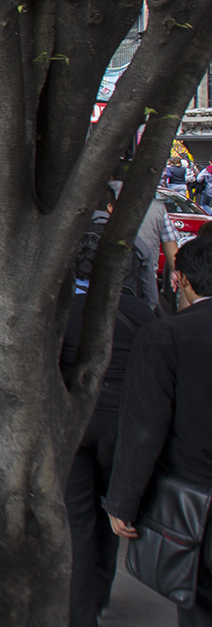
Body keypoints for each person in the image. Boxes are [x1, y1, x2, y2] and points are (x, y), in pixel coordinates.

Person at [107, 235, 212, 625]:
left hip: (195, 504)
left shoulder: (167, 335)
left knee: (198, 604)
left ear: (180, 279)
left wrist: (123, 502)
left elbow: (144, 427)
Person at [59, 229, 153, 627]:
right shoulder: (142, 314)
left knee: (77, 519)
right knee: (110, 513)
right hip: (122, 426)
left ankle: (82, 614)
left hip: (74, 424)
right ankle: (100, 593)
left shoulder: (62, 312)